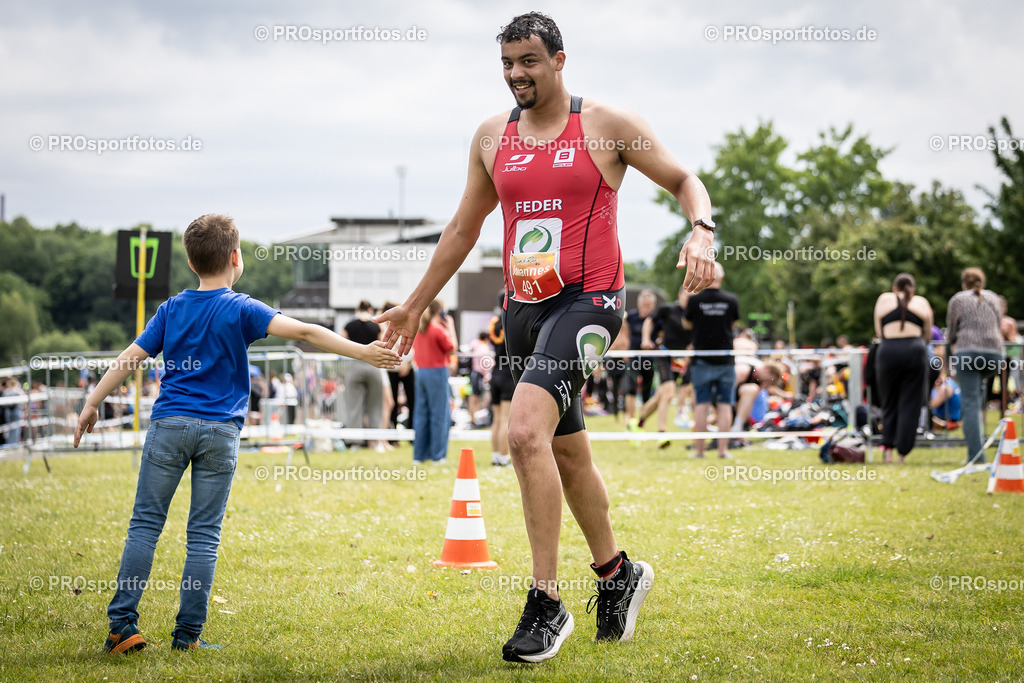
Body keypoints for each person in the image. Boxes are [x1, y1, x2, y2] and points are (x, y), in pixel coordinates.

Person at [375, 12, 716, 664]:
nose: (516, 75)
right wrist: (417, 304)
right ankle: (618, 575)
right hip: (524, 311)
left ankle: (545, 601)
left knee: (525, 430)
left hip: (590, 303)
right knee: (567, 453)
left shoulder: (607, 127)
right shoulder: (490, 137)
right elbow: (462, 229)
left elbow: (683, 179)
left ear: (559, 60)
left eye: (528, 61)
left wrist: (701, 227)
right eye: (506, 63)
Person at [73, 214, 398, 654]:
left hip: (169, 425)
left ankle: (122, 627)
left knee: (145, 526)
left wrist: (92, 402)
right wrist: (363, 352)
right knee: (203, 534)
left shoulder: (171, 309)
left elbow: (130, 357)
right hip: (220, 432)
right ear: (235, 257)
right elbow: (303, 330)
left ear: (191, 261)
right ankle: (187, 635)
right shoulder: (242, 308)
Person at [872, 273, 933, 464]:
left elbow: (879, 332)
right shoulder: (921, 302)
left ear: (894, 287)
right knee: (910, 404)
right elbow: (928, 335)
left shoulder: (884, 299)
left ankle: (888, 449)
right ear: (912, 288)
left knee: (888, 402)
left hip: (889, 350)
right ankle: (902, 454)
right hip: (914, 350)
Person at [947, 267, 1004, 464]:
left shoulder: (958, 299)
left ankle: (976, 457)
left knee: (970, 403)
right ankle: (981, 446)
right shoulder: (994, 298)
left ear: (964, 284)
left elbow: (952, 332)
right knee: (977, 396)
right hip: (995, 356)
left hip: (968, 354)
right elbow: (998, 324)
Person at [684, 263, 739, 459]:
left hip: (701, 360)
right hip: (725, 360)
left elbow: (687, 323)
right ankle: (723, 451)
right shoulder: (732, 300)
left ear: (705, 276)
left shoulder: (694, 300)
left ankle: (700, 451)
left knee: (701, 405)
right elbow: (733, 324)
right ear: (722, 278)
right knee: (725, 406)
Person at [635, 285, 692, 443]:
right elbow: (649, 321)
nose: (689, 298)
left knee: (660, 395)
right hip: (664, 354)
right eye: (687, 295)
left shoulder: (694, 313)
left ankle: (638, 422)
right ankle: (662, 434)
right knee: (668, 393)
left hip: (682, 358)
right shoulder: (667, 309)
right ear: (680, 294)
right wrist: (646, 339)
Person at [412, 300, 456, 464]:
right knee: (440, 414)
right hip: (437, 371)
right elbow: (453, 348)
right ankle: (438, 455)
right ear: (441, 312)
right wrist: (450, 326)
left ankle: (419, 455)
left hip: (421, 372)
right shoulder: (438, 329)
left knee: (421, 414)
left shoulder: (420, 329)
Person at [342, 300, 385, 449]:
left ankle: (355, 442)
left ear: (356, 309)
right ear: (370, 309)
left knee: (354, 405)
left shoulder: (349, 325)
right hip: (373, 365)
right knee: (375, 404)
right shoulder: (375, 326)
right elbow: (383, 342)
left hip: (355, 364)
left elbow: (341, 342)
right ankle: (376, 442)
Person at [623, 289, 657, 430]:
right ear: (638, 303)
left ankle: (641, 421)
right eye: (643, 305)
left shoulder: (656, 319)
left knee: (646, 391)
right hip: (633, 356)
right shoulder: (631, 316)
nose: (646, 308)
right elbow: (624, 334)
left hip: (651, 358)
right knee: (630, 388)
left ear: (653, 305)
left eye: (649, 306)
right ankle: (630, 421)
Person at [488, 307, 513, 466]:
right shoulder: (510, 321)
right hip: (509, 373)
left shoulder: (494, 324)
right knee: (505, 419)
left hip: (495, 372)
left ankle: (496, 455)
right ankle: (504, 457)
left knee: (496, 419)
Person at [468, 330, 493, 426]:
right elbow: (485, 363)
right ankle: (474, 420)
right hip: (479, 374)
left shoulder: (475, 344)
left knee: (474, 397)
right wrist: (487, 375)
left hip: (475, 373)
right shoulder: (484, 347)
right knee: (475, 397)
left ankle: (474, 419)